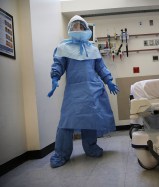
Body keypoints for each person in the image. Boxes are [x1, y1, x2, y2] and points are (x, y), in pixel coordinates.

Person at [47, 15, 119, 168]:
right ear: (69, 29)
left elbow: (100, 67)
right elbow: (58, 64)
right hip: (74, 90)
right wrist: (55, 77)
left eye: (81, 27)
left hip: (92, 89)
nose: (78, 30)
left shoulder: (92, 48)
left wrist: (109, 81)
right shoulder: (63, 47)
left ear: (86, 29)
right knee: (66, 122)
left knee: (90, 120)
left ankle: (91, 147)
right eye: (75, 27)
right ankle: (61, 153)